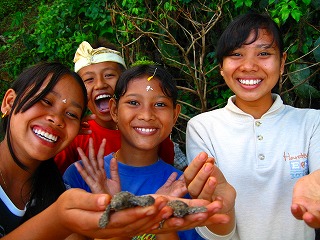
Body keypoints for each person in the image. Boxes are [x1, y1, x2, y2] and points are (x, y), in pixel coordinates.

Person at [185, 12, 320, 239]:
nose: (249, 66)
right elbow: (216, 233)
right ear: (221, 66)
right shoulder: (202, 128)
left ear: (282, 62)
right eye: (236, 54)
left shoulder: (312, 122)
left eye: (264, 53)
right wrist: (222, 209)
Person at [63, 64, 236, 239]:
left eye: (160, 104)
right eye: (133, 103)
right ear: (114, 110)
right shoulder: (83, 176)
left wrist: (158, 214)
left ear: (175, 115)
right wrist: (113, 212)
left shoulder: (186, 188)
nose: (146, 115)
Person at [54, 40, 176, 174]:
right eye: (89, 79)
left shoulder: (149, 129)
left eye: (109, 75)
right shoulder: (76, 135)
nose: (100, 84)